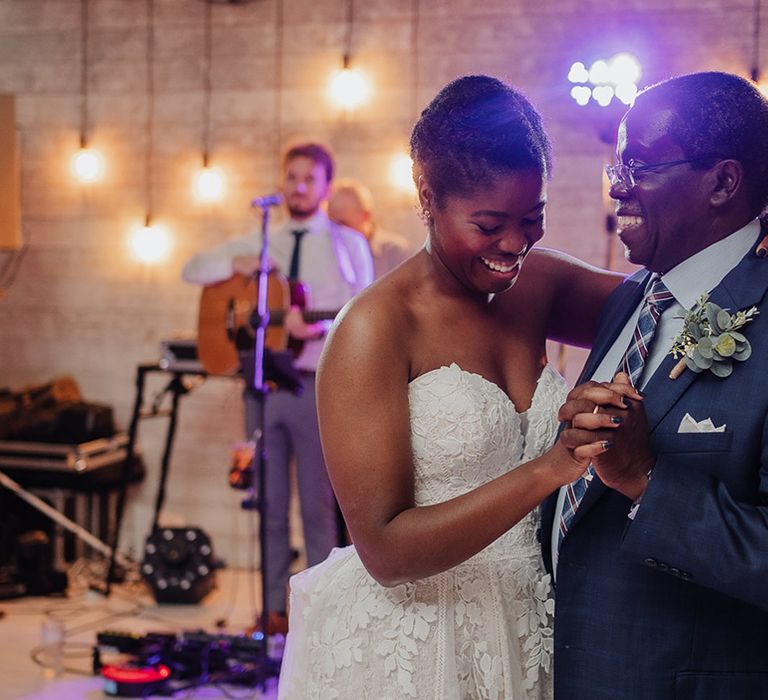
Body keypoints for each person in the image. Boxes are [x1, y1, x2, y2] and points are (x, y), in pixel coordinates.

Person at [277, 76, 632, 699]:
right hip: (418, 641)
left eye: (533, 218)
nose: (515, 244)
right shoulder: (375, 328)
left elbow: (665, 302)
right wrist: (550, 468)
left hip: (535, 622)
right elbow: (385, 551)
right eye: (489, 223)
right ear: (427, 197)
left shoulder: (537, 285)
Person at [546, 71, 768, 699]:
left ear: (723, 182)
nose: (617, 185)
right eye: (618, 163)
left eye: (640, 165)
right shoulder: (630, 301)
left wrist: (646, 477)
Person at [182, 142, 374, 632]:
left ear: (327, 187)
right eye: (291, 177)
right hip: (264, 386)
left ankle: (319, 617)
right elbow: (193, 269)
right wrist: (236, 266)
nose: (299, 186)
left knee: (317, 506)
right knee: (266, 501)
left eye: (309, 178)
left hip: (316, 386)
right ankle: (270, 611)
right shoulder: (262, 239)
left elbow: (363, 315)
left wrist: (317, 330)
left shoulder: (346, 245)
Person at [328, 177, 415, 278]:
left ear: (366, 216)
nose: (338, 231)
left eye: (344, 225)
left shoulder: (396, 252)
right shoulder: (328, 252)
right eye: (332, 225)